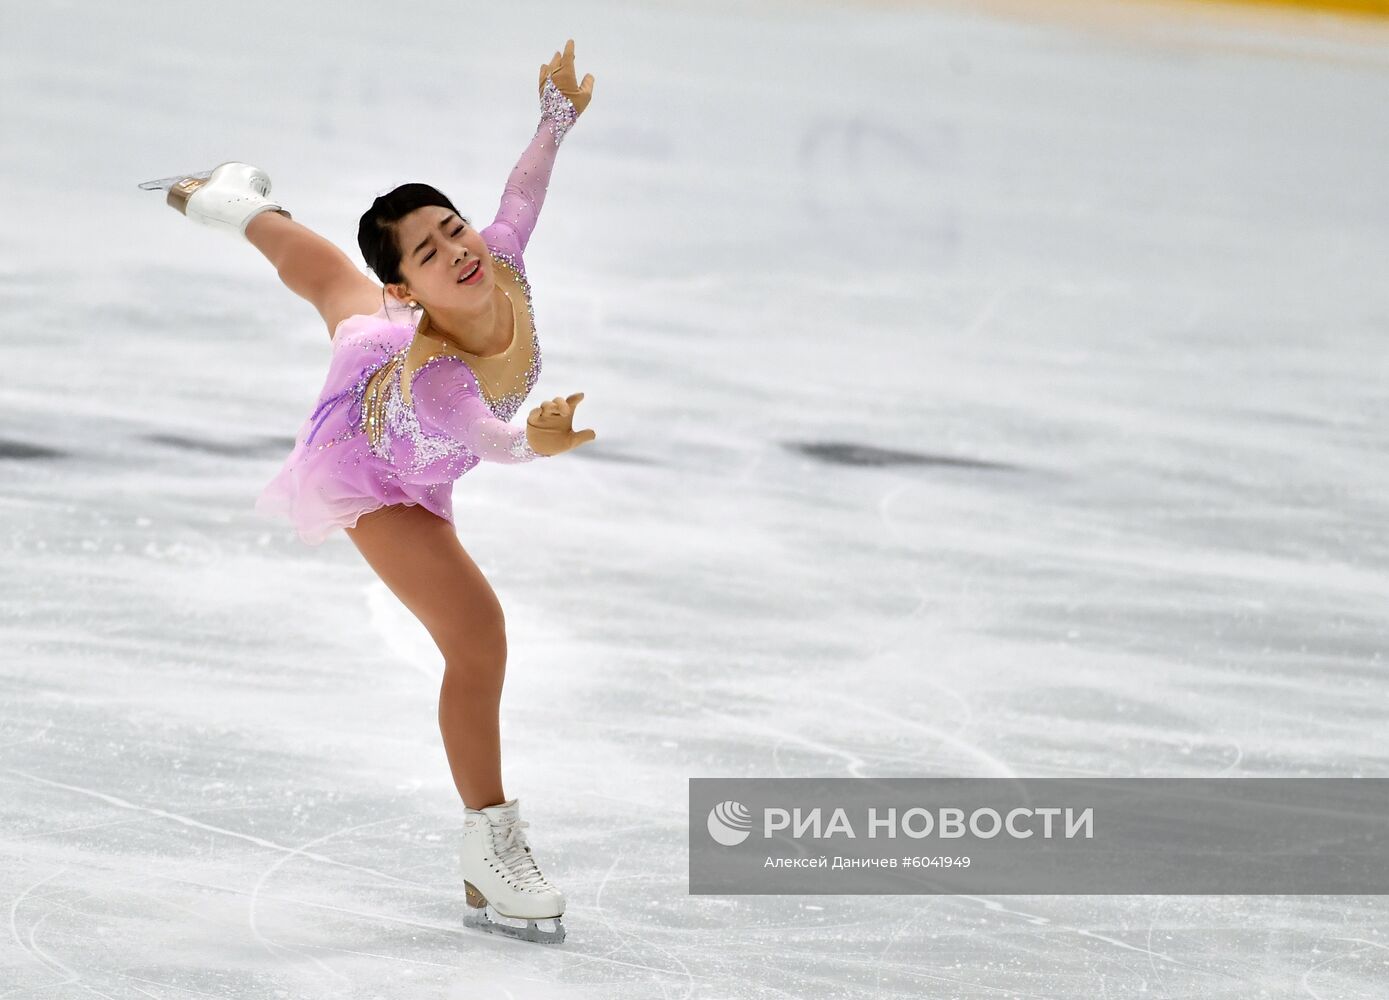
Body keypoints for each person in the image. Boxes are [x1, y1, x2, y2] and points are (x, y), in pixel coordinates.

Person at [140, 39, 598, 946]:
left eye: (452, 230)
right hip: (377, 468)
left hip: (407, 410)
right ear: (412, 289)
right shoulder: (433, 374)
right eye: (428, 253)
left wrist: (553, 120)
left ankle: (237, 201)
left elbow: (520, 197)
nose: (457, 251)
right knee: (478, 638)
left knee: (328, 283)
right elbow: (486, 439)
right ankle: (490, 846)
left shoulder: (494, 256)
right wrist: (533, 442)